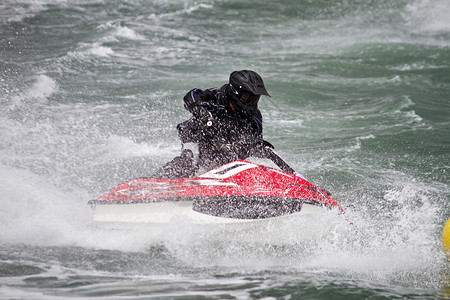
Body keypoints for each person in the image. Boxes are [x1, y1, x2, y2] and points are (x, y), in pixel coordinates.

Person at [153, 70, 274, 179]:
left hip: (222, 148)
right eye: (247, 97)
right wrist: (203, 114)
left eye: (255, 98)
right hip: (196, 136)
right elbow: (191, 96)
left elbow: (251, 143)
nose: (251, 103)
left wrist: (257, 146)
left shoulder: (254, 118)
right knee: (189, 163)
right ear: (235, 93)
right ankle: (155, 182)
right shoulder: (216, 97)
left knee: (232, 169)